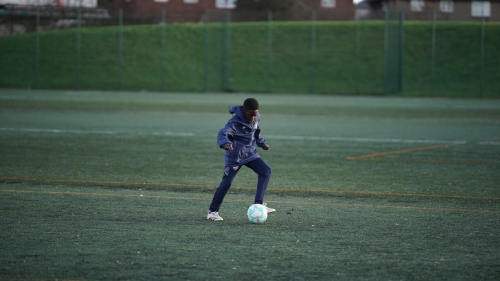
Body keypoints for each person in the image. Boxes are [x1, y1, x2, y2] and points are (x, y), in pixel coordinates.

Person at [207, 98, 276, 221]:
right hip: (235, 156)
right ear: (244, 111)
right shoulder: (234, 122)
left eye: (255, 115)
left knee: (266, 171)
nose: (253, 118)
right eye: (251, 115)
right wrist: (226, 143)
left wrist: (262, 143)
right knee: (226, 183)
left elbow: (256, 132)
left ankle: (258, 205)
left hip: (250, 153)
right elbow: (222, 133)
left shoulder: (255, 117)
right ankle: (212, 212)